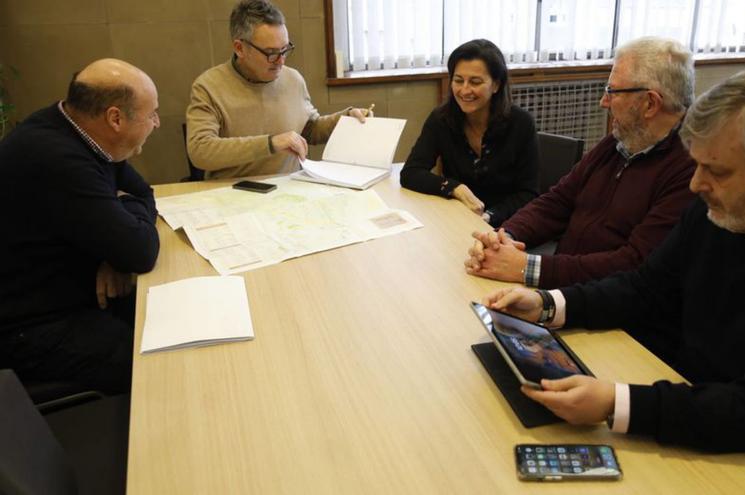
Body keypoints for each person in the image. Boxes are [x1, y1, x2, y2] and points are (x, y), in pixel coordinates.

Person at [483, 66, 745, 494]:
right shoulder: (732, 197)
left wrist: (618, 403)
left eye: (717, 171)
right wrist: (549, 304)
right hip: (696, 409)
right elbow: (646, 287)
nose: (696, 184)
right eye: (696, 164)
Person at [466, 37, 696, 287]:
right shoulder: (619, 142)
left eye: (612, 91)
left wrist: (527, 267)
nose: (603, 102)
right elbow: (558, 201)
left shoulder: (691, 170)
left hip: (608, 311)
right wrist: (505, 237)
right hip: (564, 290)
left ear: (650, 103)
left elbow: (635, 263)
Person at [0, 59, 161, 395]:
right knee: (159, 363)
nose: (157, 123)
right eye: (151, 115)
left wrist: (112, 250)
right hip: (32, 323)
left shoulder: (82, 132)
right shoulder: (56, 157)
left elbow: (142, 191)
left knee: (168, 317)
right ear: (115, 118)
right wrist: (119, 241)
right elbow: (142, 251)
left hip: (70, 287)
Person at [186, 0, 372, 179]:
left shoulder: (293, 79)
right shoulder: (209, 86)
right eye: (271, 53)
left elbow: (308, 130)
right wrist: (270, 143)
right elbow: (200, 151)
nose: (281, 61)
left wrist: (345, 119)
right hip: (231, 193)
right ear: (239, 48)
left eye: (285, 50)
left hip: (287, 189)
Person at [401, 39, 539, 227]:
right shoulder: (441, 119)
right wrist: (454, 188)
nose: (464, 90)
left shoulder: (521, 123)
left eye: (475, 82)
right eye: (458, 81)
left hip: (507, 225)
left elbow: (528, 193)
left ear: (496, 85)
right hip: (458, 220)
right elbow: (411, 173)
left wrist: (489, 216)